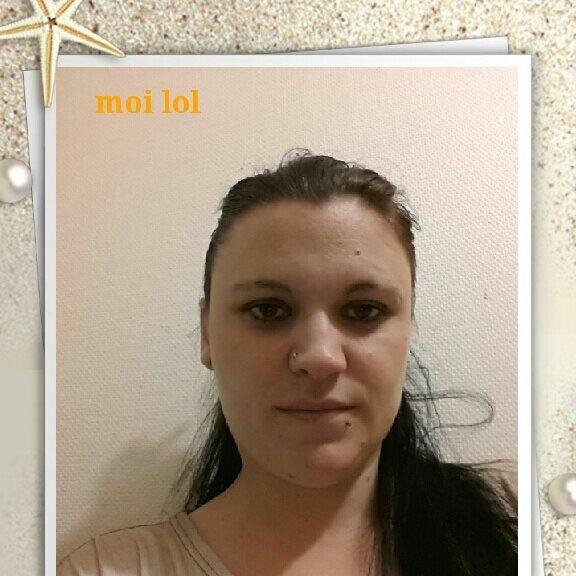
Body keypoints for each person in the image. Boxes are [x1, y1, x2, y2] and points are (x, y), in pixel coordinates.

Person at [58, 151, 517, 576]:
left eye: (364, 310)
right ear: (207, 334)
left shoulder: (514, 533)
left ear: (408, 329)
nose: (320, 357)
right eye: (268, 310)